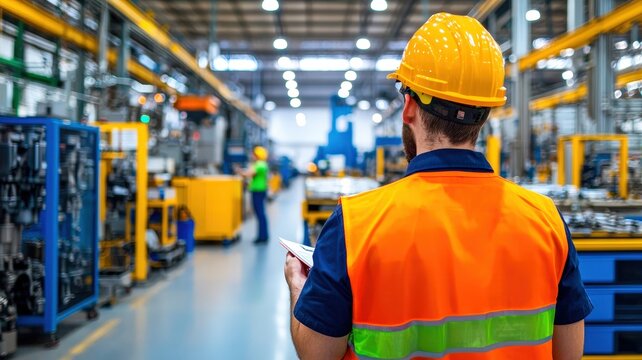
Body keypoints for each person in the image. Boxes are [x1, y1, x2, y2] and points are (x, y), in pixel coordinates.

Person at [284, 13, 592, 360]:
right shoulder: (546, 220)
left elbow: (316, 354)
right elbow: (570, 354)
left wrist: (299, 286)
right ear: (486, 112)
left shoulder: (356, 224)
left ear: (409, 107)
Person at [239, 146, 270, 244]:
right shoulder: (263, 164)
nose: (252, 156)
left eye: (254, 154)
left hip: (258, 191)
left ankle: (262, 237)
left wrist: (239, 171)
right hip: (261, 190)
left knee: (260, 214)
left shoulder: (259, 164)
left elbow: (248, 174)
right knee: (261, 214)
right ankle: (263, 236)